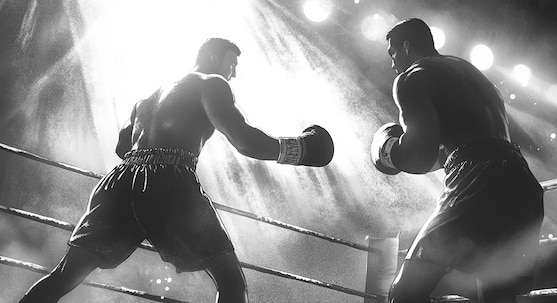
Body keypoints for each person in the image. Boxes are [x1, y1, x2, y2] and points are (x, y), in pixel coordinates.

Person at [20, 38, 334, 303]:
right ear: (213, 57)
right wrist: (304, 149)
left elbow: (122, 146)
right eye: (231, 64)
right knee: (230, 281)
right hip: (168, 184)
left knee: (64, 275)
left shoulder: (151, 93)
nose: (233, 73)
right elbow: (245, 141)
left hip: (120, 180)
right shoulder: (212, 84)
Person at [371, 18, 544, 303]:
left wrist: (386, 150)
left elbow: (420, 156)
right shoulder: (473, 75)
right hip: (522, 184)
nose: (392, 64)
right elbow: (471, 145)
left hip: (478, 181)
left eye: (392, 54)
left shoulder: (413, 77)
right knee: (497, 294)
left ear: (406, 45)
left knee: (405, 293)